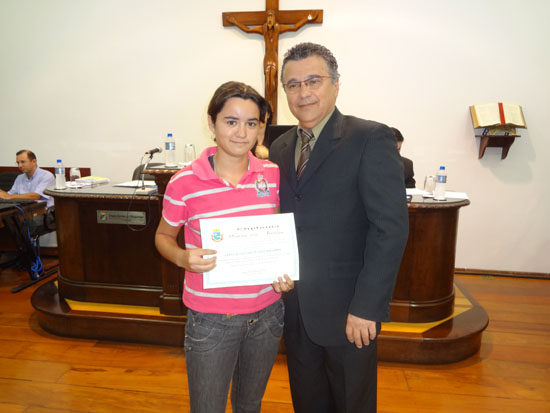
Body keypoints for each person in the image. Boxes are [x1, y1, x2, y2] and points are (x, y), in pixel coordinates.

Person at [269, 43, 409, 412]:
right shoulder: (280, 146)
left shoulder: (370, 138)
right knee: (308, 400)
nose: (303, 93)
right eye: (293, 84)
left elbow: (389, 229)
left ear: (336, 84)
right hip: (296, 305)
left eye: (313, 81)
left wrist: (368, 306)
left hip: (350, 309)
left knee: (352, 402)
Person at [154, 81, 294, 413]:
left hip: (268, 314)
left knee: (249, 405)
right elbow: (162, 237)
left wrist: (285, 270)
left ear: (261, 128)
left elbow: (280, 235)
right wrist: (183, 257)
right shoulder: (184, 182)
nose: (241, 133)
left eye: (252, 123)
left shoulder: (273, 176)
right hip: (212, 320)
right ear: (212, 123)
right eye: (231, 121)